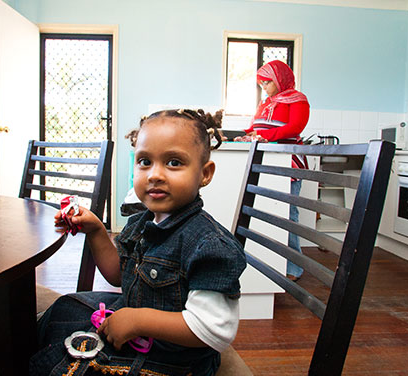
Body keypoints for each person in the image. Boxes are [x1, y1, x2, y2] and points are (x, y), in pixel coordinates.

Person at [30, 109, 247, 376]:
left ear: (205, 173)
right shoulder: (139, 223)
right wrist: (96, 230)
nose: (155, 174)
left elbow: (213, 329)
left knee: (64, 367)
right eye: (145, 161)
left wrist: (138, 320)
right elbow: (117, 275)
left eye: (174, 162)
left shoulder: (209, 245)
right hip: (140, 334)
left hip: (174, 359)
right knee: (63, 310)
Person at [244, 60, 310, 281]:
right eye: (261, 83)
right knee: (267, 210)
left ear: (280, 79)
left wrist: (265, 136)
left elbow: (295, 127)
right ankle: (270, 262)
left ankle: (293, 268)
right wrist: (245, 134)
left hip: (288, 162)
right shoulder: (266, 102)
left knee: (287, 215)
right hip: (265, 160)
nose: (264, 86)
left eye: (267, 81)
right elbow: (255, 126)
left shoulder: (297, 100)